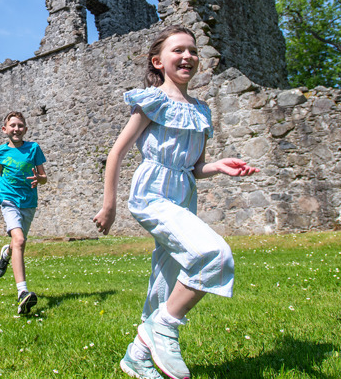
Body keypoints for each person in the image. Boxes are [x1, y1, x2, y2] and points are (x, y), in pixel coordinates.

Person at [92, 26, 259, 379]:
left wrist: (219, 166)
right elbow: (117, 153)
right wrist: (110, 206)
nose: (188, 56)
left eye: (193, 51)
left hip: (184, 195)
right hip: (152, 193)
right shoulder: (152, 101)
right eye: (178, 50)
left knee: (167, 277)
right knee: (213, 255)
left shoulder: (201, 110)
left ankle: (137, 357)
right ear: (158, 61)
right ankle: (163, 327)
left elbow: (196, 167)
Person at [0, 111, 48, 315]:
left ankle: (6, 254)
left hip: (28, 203)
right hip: (8, 200)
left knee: (17, 243)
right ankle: (22, 292)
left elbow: (44, 177)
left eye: (20, 126)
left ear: (25, 129)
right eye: (12, 125)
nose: (16, 129)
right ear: (4, 129)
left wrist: (39, 179)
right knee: (20, 240)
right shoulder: (0, 151)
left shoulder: (33, 148)